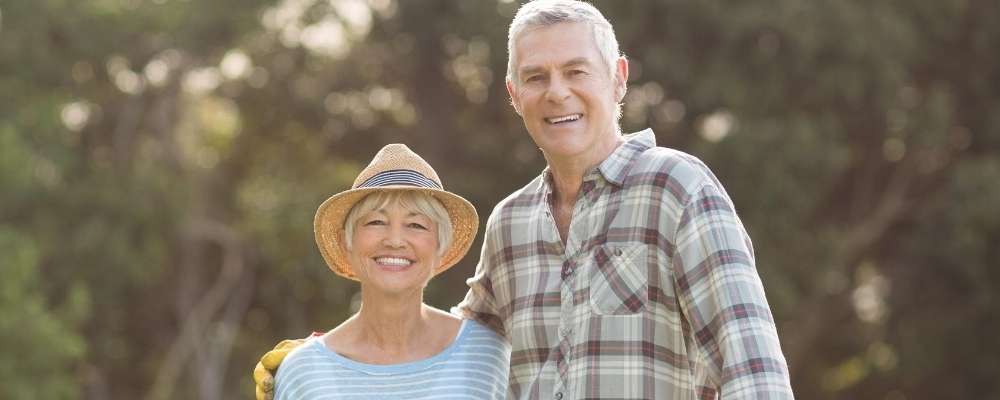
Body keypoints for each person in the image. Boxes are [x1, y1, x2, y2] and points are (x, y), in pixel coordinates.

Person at [256, 1, 793, 398]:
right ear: (515, 95)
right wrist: (327, 353)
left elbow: (755, 373)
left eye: (575, 71)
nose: (556, 92)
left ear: (618, 77)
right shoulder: (511, 223)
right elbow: (454, 330)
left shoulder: (678, 189)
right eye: (536, 77)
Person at [264, 144, 510, 400]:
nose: (395, 240)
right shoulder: (302, 372)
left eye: (416, 224)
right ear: (347, 243)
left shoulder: (488, 355)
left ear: (440, 247)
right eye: (376, 222)